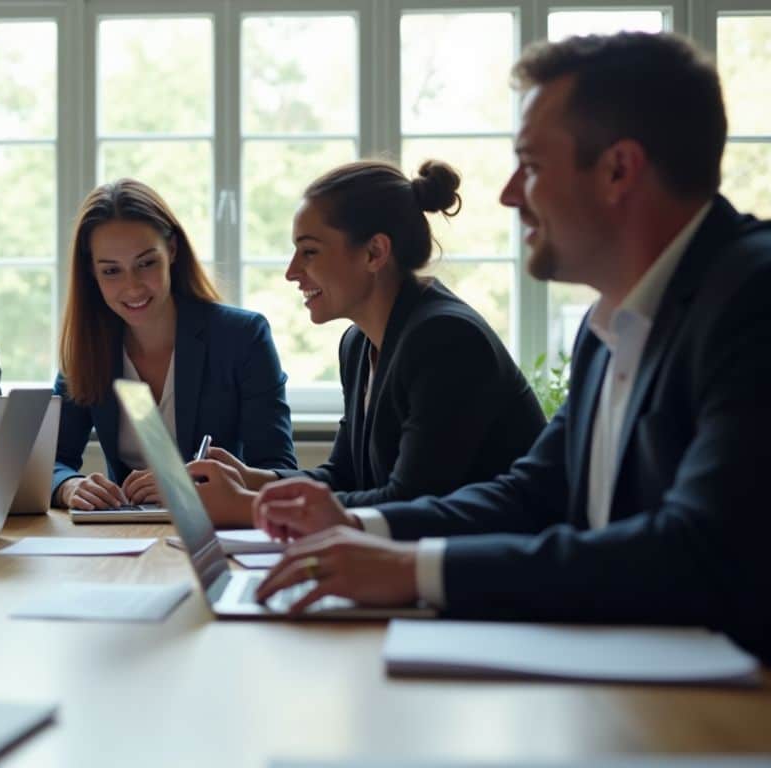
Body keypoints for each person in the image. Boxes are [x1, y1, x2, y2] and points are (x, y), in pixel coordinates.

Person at [252, 32, 771, 662]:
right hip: (623, 680)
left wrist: (414, 571)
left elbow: (696, 550)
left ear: (618, 170)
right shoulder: (608, 324)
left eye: (530, 164)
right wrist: (358, 529)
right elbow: (533, 494)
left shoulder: (752, 299)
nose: (507, 194)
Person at [188, 160, 545, 526]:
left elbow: (409, 502)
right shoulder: (358, 344)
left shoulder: (445, 339)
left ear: (374, 253)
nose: (291, 271)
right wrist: (254, 481)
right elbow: (344, 475)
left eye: (309, 251)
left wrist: (247, 507)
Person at [53, 178, 296, 512]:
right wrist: (70, 486)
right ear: (92, 275)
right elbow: (52, 462)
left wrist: (188, 485)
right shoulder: (89, 347)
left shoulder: (242, 336)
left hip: (219, 530)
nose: (133, 287)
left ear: (172, 250)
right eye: (111, 271)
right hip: (124, 536)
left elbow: (279, 469)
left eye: (146, 263)